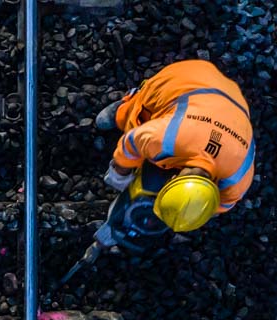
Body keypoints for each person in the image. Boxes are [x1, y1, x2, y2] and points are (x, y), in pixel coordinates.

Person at [95, 59, 256, 234]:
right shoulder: (164, 138)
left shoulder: (238, 181)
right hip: (187, 76)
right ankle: (129, 101)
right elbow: (129, 144)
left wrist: (185, 212)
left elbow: (214, 207)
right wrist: (119, 174)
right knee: (137, 118)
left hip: (234, 99)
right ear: (171, 180)